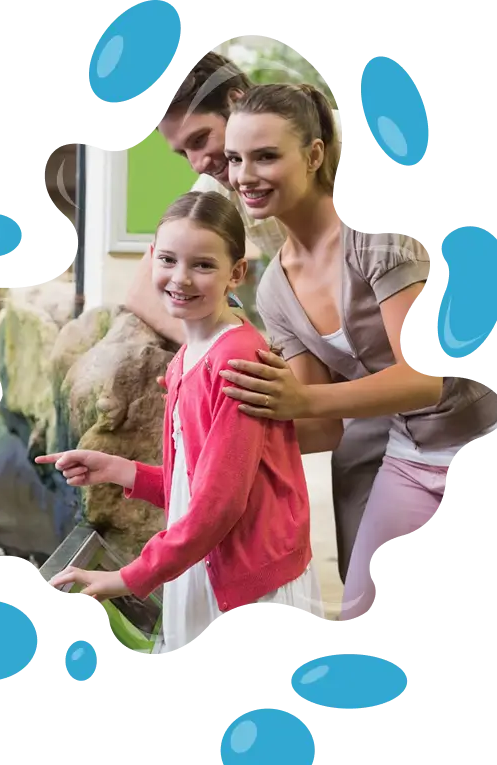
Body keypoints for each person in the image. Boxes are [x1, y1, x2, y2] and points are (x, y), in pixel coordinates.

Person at [219, 82, 497, 620]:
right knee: (360, 619)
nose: (244, 176)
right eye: (235, 159)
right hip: (412, 454)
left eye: (265, 156)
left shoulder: (376, 233)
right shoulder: (275, 289)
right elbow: (323, 426)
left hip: (482, 428)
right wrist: (215, 421)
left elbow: (426, 378)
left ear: (314, 155)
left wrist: (299, 402)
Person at [37, 191, 324, 655]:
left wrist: (128, 578)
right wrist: (117, 469)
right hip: (208, 566)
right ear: (151, 258)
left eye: (203, 265)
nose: (180, 278)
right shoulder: (189, 355)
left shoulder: (235, 363)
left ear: (236, 273)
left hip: (251, 586)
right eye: (168, 259)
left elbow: (218, 506)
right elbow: (194, 483)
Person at [124, 53, 361, 590]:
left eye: (200, 140)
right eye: (183, 151)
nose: (198, 162)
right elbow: (143, 291)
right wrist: (224, 357)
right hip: (346, 408)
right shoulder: (225, 186)